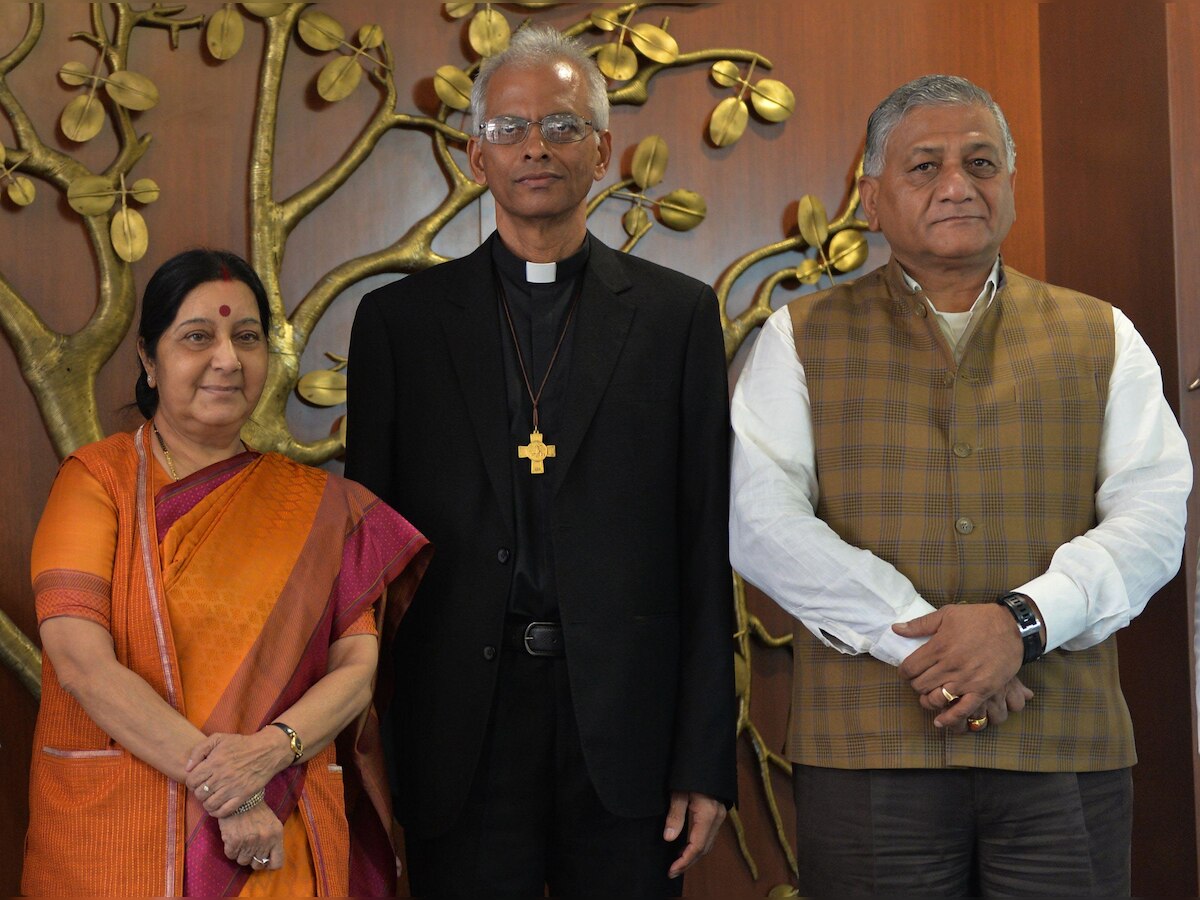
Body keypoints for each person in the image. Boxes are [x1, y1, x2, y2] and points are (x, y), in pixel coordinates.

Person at [729, 74, 1191, 895]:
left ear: (1010, 186)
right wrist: (935, 648)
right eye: (925, 166)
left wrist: (1022, 624)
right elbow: (759, 520)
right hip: (869, 754)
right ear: (870, 198)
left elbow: (1153, 518)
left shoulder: (1101, 332)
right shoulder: (797, 336)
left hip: (1063, 751)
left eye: (981, 163)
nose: (956, 185)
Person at [345, 24, 736, 898]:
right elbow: (364, 563)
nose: (535, 148)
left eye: (561, 127)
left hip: (630, 732)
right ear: (474, 155)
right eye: (509, 129)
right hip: (458, 731)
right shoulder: (399, 327)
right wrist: (368, 744)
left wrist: (705, 754)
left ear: (603, 151)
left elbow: (704, 548)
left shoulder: (676, 320)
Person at [22, 249, 429, 897]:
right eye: (196, 337)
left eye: (246, 337)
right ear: (149, 362)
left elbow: (356, 669)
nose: (226, 359)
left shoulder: (320, 507)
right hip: (128, 824)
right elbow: (81, 663)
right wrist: (230, 791)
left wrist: (270, 751)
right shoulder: (95, 485)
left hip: (283, 821)